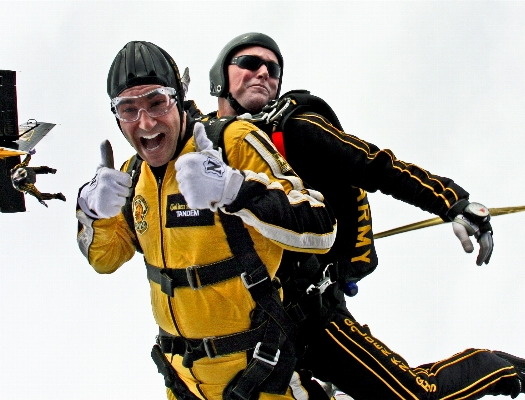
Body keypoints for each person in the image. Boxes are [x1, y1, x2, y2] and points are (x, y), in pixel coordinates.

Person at [204, 32, 525, 399]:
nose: (263, 72)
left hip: (309, 314)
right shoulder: (195, 143)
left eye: (273, 68)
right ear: (220, 77)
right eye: (249, 63)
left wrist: (452, 202)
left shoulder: (294, 129)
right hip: (243, 322)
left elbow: (375, 166)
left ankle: (502, 368)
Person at [75, 41, 338, 400]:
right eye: (128, 109)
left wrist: (235, 190)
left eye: (156, 101)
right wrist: (91, 213)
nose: (146, 122)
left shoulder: (233, 143)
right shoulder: (130, 177)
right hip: (183, 384)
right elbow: (104, 259)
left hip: (261, 378)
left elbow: (321, 227)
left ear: (179, 98)